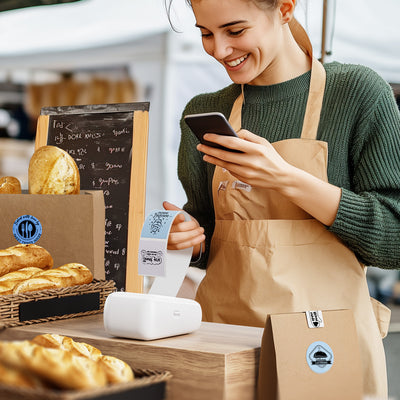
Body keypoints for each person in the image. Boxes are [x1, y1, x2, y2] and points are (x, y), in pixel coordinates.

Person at [163, 0, 400, 397]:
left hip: (325, 349)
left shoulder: (357, 94)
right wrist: (186, 238)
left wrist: (287, 179)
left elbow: (394, 241)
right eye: (206, 33)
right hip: (224, 341)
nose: (219, 50)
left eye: (235, 31)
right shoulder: (205, 112)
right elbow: (207, 229)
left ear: (286, 8)